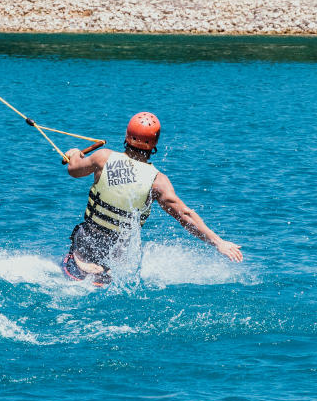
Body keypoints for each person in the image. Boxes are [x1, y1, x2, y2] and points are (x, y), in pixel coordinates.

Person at [61, 111, 242, 286]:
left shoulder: (103, 157)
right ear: (154, 143)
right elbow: (185, 215)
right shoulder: (158, 182)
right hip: (118, 252)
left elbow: (74, 170)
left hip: (87, 243)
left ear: (127, 136)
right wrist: (219, 242)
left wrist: (75, 153)